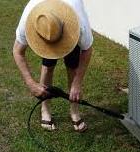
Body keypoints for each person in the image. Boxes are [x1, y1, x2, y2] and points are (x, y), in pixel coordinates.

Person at [13, 0, 93, 132]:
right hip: (47, 22)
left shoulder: (79, 23)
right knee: (47, 66)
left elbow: (87, 50)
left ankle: (74, 111)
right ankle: (45, 110)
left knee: (73, 67)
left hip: (69, 24)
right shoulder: (30, 18)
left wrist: (77, 83)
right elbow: (17, 51)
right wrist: (30, 83)